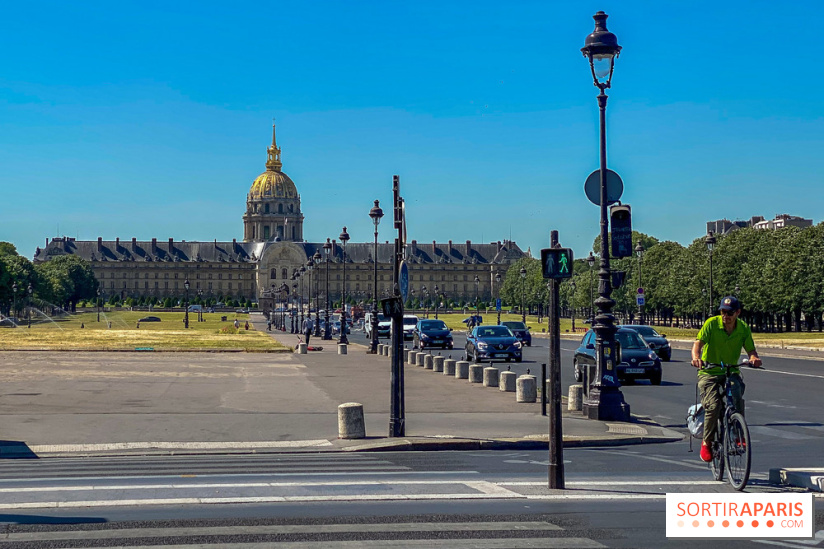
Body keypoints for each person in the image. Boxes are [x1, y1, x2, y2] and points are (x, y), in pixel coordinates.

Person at [691, 296, 761, 462]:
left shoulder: (743, 328)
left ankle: (738, 434)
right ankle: (706, 443)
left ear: (737, 312)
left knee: (736, 395)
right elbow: (697, 344)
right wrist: (696, 358)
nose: (725, 315)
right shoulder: (712, 324)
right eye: (723, 311)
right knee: (713, 406)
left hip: (730, 371)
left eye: (729, 312)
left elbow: (751, 351)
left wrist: (754, 359)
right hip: (709, 371)